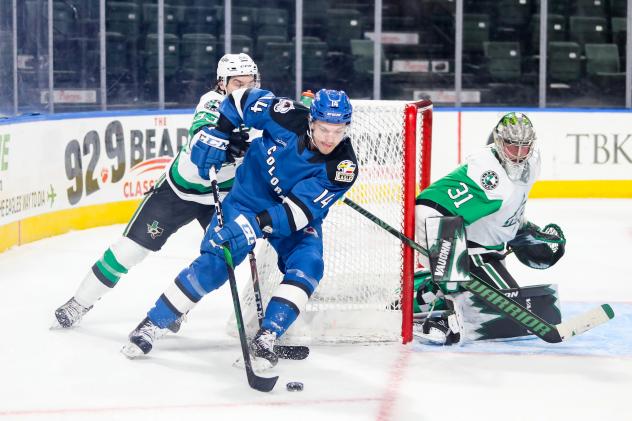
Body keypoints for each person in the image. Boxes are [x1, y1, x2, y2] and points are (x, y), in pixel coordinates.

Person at [120, 88, 357, 367]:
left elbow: (295, 214)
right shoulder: (286, 114)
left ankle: (266, 336)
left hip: (292, 216)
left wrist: (252, 227)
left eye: (338, 131)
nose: (330, 138)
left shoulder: (342, 166)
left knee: (309, 264)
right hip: (247, 199)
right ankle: (153, 322)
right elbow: (239, 100)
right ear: (311, 122)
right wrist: (220, 131)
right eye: (324, 129)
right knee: (216, 264)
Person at [53, 53, 261, 330]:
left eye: (250, 82)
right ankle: (80, 302)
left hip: (222, 197)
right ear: (222, 83)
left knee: (221, 258)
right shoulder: (211, 102)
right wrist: (223, 144)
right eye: (237, 83)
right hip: (179, 191)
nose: (244, 89)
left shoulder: (261, 108)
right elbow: (202, 136)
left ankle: (177, 307)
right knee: (130, 250)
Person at [412, 112, 565, 345]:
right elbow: (434, 208)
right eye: (513, 146)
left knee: (507, 305)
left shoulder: (533, 163)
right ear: (499, 141)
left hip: (484, 245)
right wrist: (449, 262)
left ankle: (430, 290)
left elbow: (508, 205)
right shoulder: (488, 175)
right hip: (444, 227)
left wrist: (520, 229)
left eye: (526, 146)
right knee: (501, 308)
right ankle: (431, 304)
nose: (520, 154)